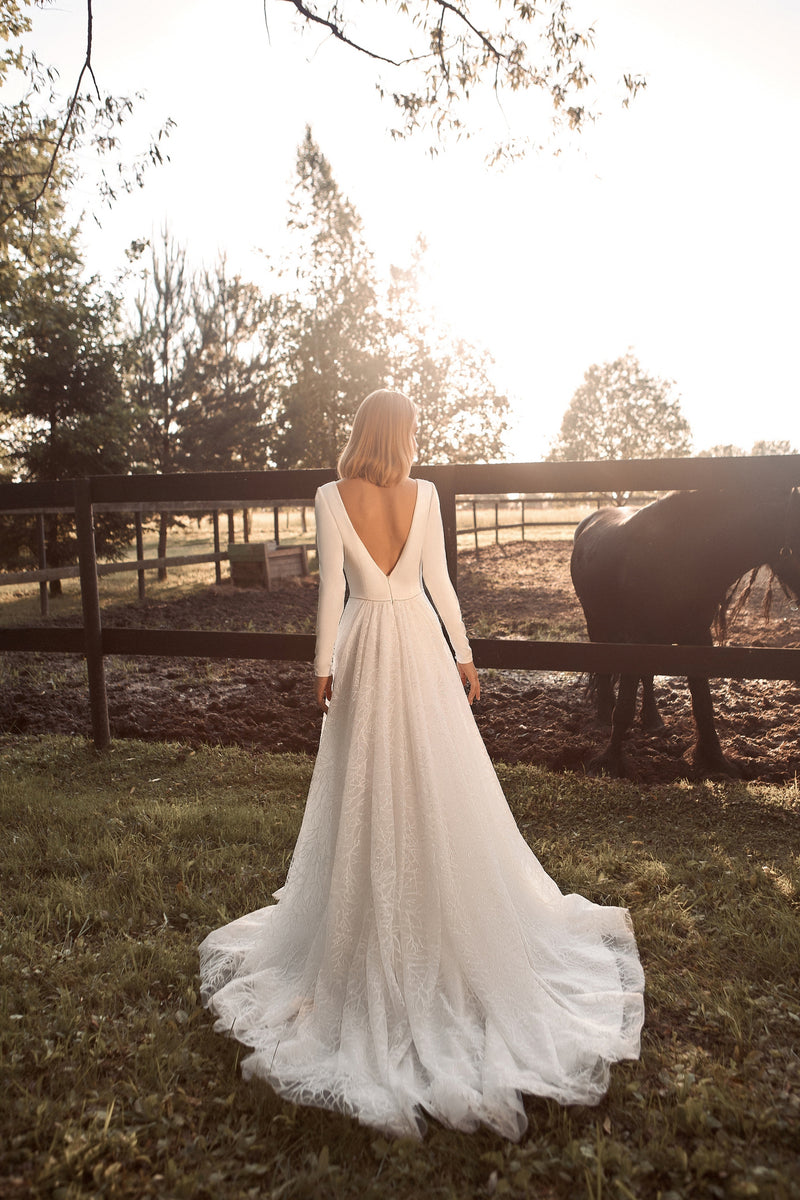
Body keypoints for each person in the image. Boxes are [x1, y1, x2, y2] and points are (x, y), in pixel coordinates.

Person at [199, 389, 644, 1140]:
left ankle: (379, 904)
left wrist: (321, 665)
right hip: (420, 647)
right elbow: (440, 585)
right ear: (399, 435)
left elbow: (334, 592)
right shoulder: (427, 493)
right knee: (436, 778)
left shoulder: (330, 495)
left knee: (369, 780)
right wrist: (464, 654)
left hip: (366, 646)